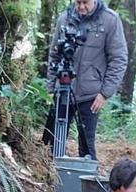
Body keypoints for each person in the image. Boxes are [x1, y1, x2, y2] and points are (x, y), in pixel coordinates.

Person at [43, 0, 128, 160]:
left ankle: (87, 174)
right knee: (55, 141)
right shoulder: (64, 18)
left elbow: (119, 59)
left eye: (85, 2)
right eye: (78, 2)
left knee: (86, 145)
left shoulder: (110, 20)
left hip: (91, 94)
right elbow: (54, 54)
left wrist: (104, 93)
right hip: (63, 87)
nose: (81, 7)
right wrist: (50, 88)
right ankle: (54, 172)